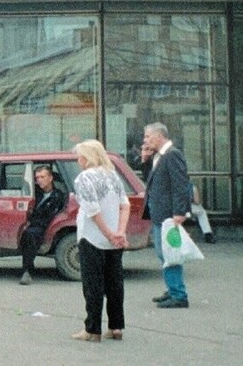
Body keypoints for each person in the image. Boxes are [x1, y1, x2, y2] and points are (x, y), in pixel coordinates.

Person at [71, 139, 129, 342]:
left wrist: (108, 234)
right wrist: (119, 232)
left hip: (92, 237)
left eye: (79, 156)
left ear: (87, 158)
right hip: (114, 239)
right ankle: (116, 326)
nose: (78, 159)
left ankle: (92, 329)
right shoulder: (113, 176)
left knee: (93, 285)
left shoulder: (83, 179)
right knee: (115, 284)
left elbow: (93, 211)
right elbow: (125, 205)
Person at [142, 122, 192, 309]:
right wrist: (145, 160)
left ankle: (179, 294)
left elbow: (180, 185)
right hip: (159, 213)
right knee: (163, 253)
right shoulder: (159, 156)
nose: (145, 141)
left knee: (169, 254)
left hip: (168, 214)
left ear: (159, 136)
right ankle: (172, 289)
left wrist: (180, 212)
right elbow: (152, 181)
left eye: (147, 137)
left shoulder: (172, 155)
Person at [19, 165, 68, 285]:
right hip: (33, 224)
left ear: (50, 178)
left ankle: (27, 270)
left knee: (30, 234)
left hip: (45, 226)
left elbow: (49, 216)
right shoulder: (35, 193)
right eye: (37, 178)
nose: (39, 180)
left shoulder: (58, 196)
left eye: (42, 177)